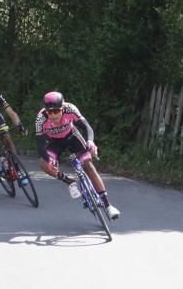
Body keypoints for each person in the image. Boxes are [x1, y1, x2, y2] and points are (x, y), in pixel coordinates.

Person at [35, 91, 120, 220]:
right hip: (54, 142)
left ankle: (108, 206)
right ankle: (69, 182)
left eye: (56, 111)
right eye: (49, 112)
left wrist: (90, 142)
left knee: (88, 166)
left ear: (62, 108)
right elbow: (40, 146)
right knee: (43, 163)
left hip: (72, 136)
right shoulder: (41, 118)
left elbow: (87, 127)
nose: (52, 115)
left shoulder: (70, 109)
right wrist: (49, 160)